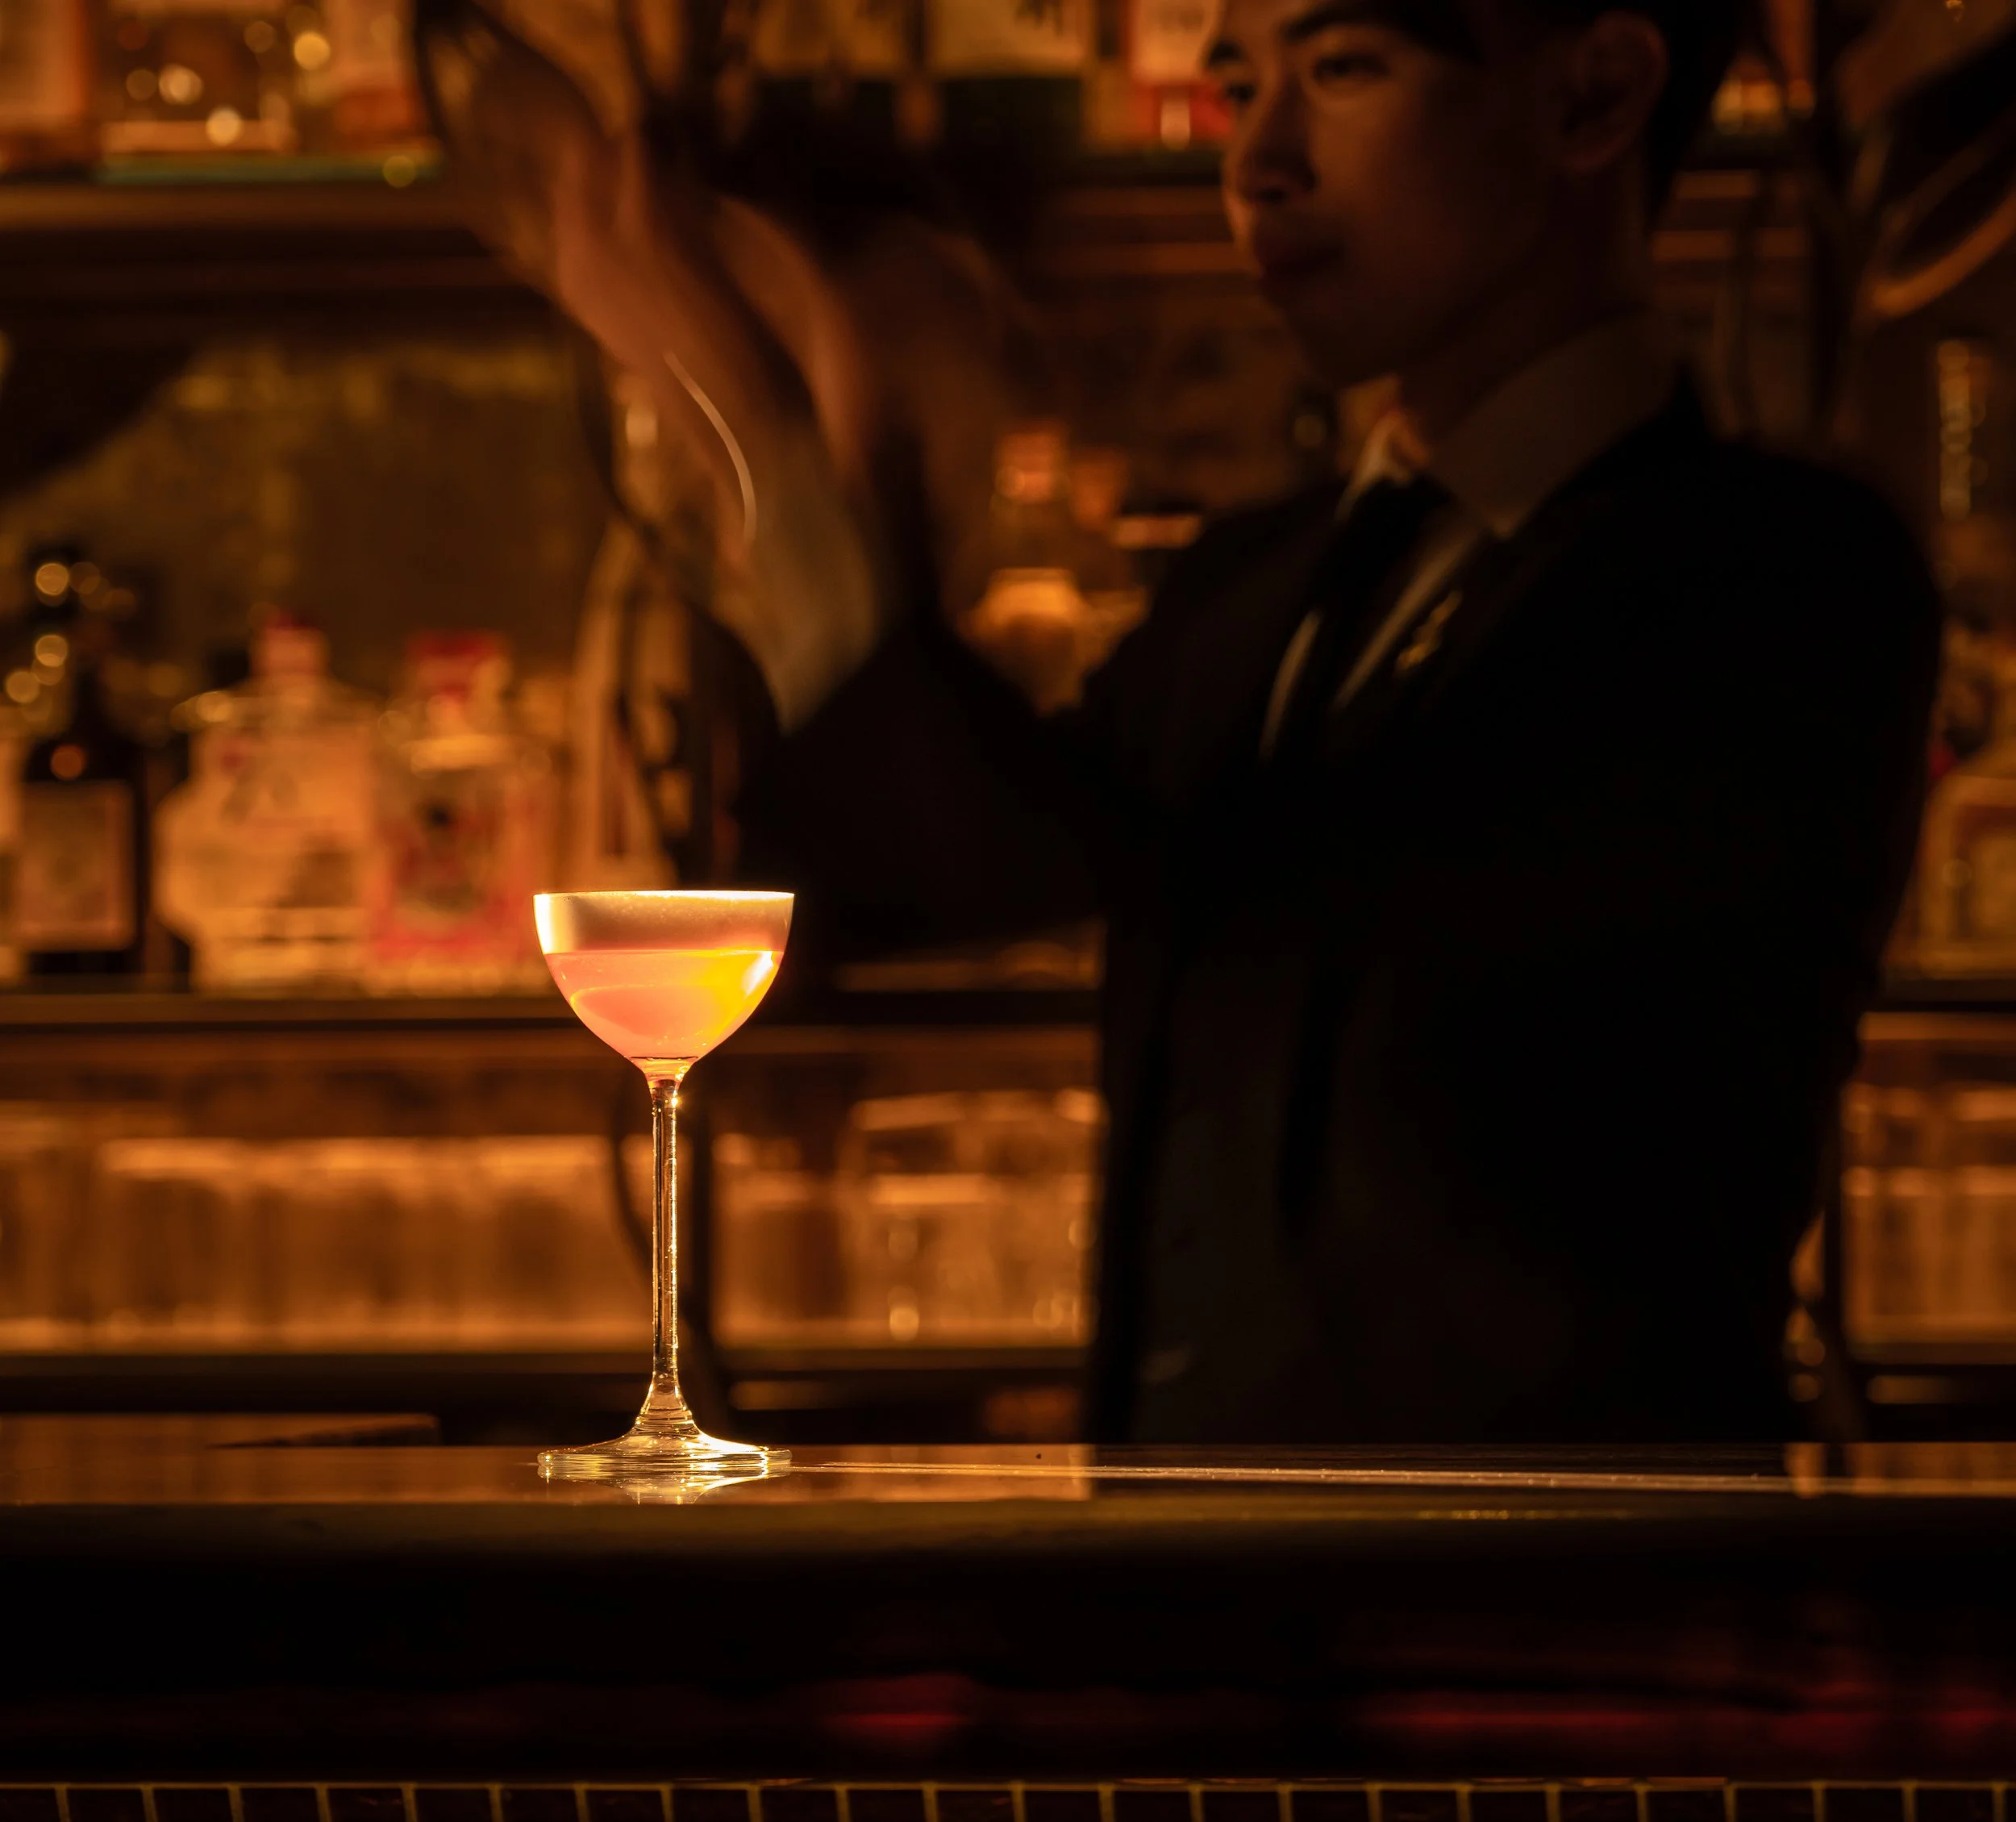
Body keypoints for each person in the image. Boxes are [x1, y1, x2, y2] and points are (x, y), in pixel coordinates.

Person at [427, 0, 1940, 1441]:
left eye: (1340, 69)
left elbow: (1305, 879)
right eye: (1232, 88)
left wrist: (774, 429)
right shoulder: (1251, 589)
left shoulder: (1779, 579)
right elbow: (949, 869)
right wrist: (818, 444)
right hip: (1196, 1560)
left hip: (1575, 1587)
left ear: (1594, 93)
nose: (1256, 160)